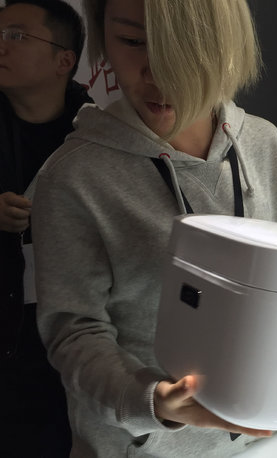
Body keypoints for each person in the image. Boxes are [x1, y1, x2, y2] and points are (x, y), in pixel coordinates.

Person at [32, 0, 277, 456]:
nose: (157, 73)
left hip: (262, 439)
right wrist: (153, 401)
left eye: (186, 45)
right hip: (140, 444)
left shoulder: (266, 145)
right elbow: (74, 332)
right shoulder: (75, 175)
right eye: (132, 41)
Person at [0, 0, 92, 456]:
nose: (1, 46)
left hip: (63, 349)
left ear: (64, 60)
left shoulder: (98, 136)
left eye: (16, 36)